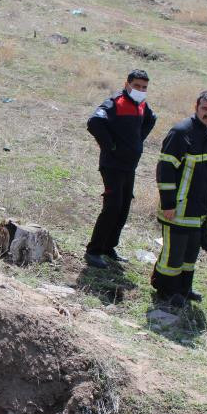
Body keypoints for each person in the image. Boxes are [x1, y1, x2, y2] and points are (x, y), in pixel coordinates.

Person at [151, 91, 207, 307]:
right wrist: (169, 204)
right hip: (178, 207)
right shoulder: (181, 132)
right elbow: (165, 169)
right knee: (174, 253)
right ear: (196, 106)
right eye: (205, 109)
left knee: (191, 252)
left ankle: (184, 289)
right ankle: (165, 290)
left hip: (199, 208)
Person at [84, 68, 157, 269]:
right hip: (112, 165)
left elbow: (152, 119)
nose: (140, 90)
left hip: (129, 166)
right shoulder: (116, 102)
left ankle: (109, 247)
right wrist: (112, 146)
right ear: (127, 85)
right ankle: (94, 250)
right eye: (137, 86)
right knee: (112, 207)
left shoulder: (141, 105)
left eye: (144, 87)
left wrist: (137, 142)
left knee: (123, 207)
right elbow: (94, 122)